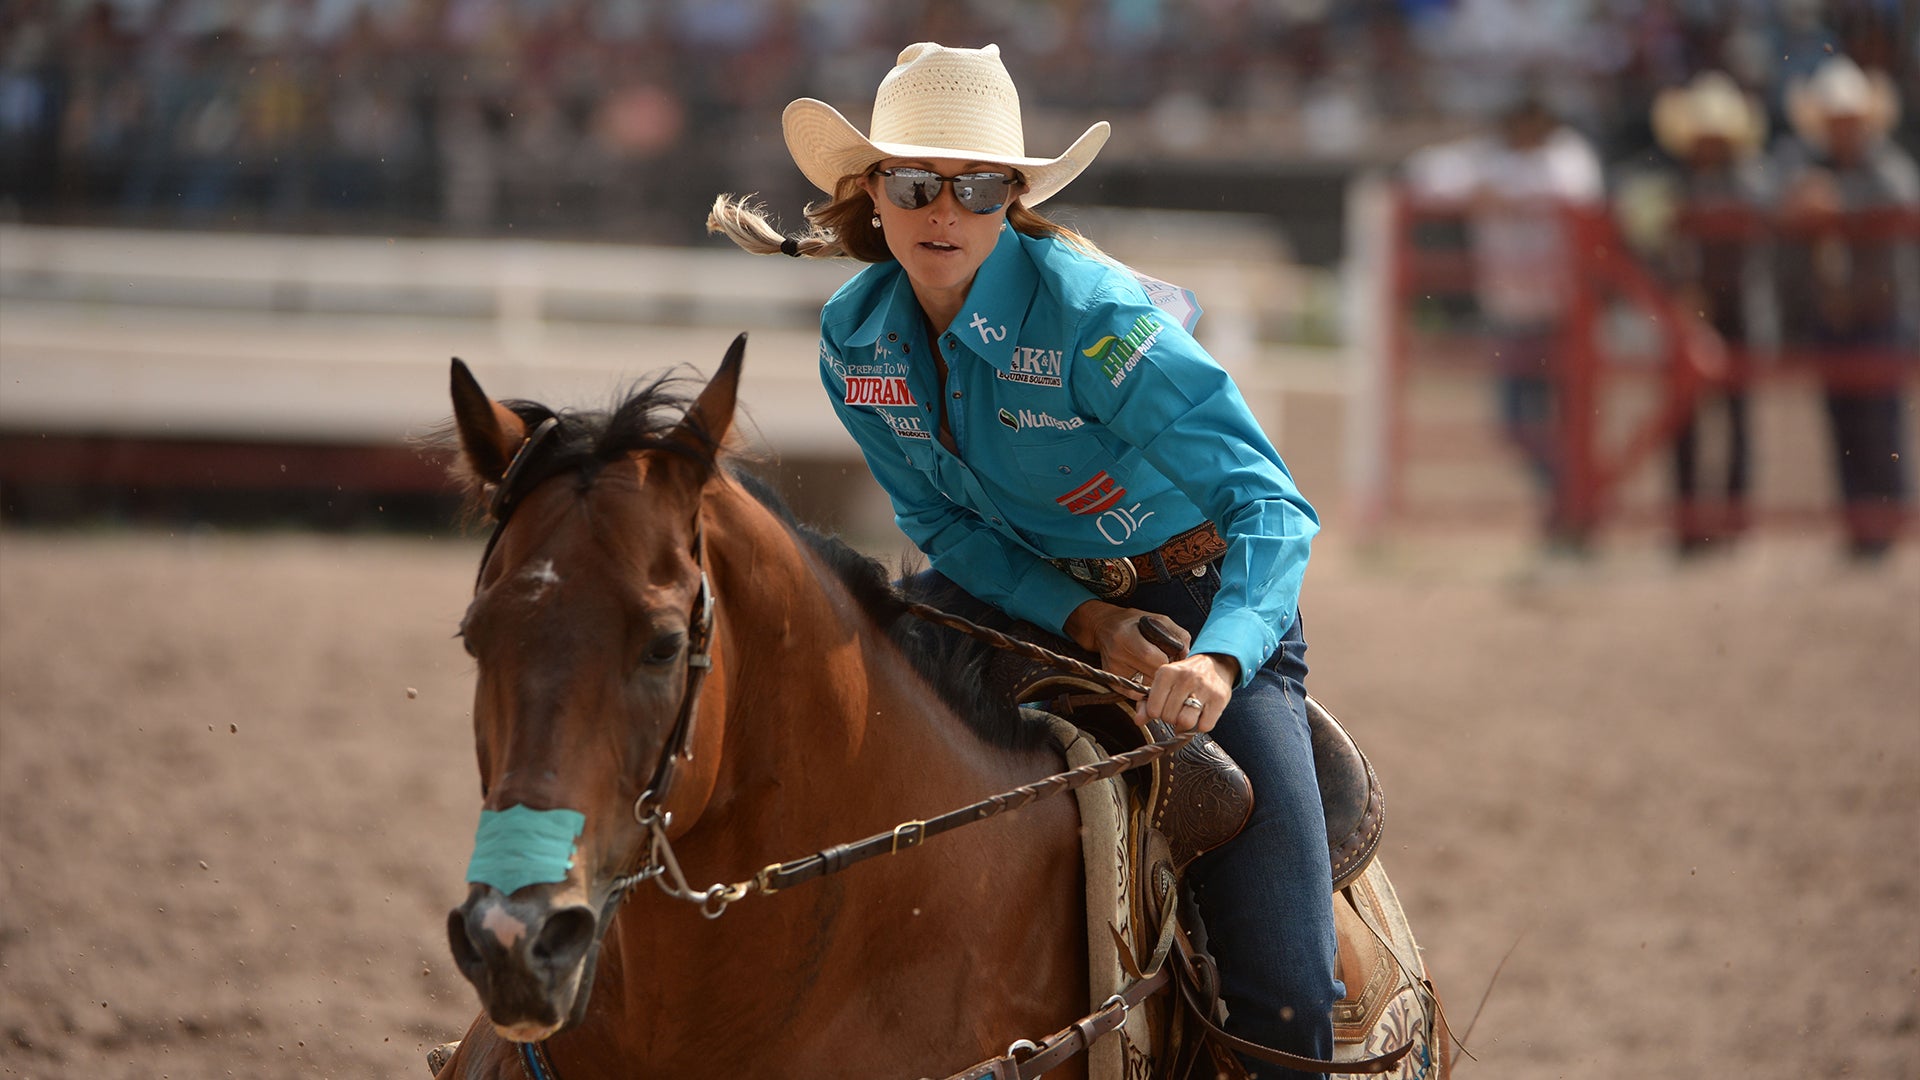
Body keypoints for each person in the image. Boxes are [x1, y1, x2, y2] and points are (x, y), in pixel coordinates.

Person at [710, 42, 1338, 1079]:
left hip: (1201, 602)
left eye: (978, 187)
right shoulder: (853, 338)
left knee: (1284, 981)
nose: (942, 211)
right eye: (914, 184)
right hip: (1016, 594)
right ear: (874, 193)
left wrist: (1218, 661)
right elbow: (944, 529)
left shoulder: (1098, 323)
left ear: (1013, 197)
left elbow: (1269, 505)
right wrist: (1087, 623)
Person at [1404, 93, 1605, 552]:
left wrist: (1498, 191)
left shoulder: (1565, 158)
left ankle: (1572, 508)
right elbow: (1423, 174)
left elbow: (1578, 190)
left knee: (1567, 422)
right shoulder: (1489, 160)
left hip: (1561, 312)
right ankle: (1570, 499)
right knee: (1518, 424)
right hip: (1515, 312)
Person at [1771, 55, 1916, 561]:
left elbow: (1900, 202)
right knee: (1846, 422)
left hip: (1879, 312)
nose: (1842, 130)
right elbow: (1781, 202)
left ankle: (1884, 522)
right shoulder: (1813, 169)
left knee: (1880, 420)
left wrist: (1838, 205)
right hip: (1835, 313)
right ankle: (1860, 523)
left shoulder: (1887, 168)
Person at [1644, 72, 1775, 556]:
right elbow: (1654, 244)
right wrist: (1681, 292)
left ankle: (1734, 522)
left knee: (1737, 420)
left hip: (1735, 310)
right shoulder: (1676, 184)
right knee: (1685, 420)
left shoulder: (1750, 181)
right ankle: (1688, 524)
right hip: (1690, 310)